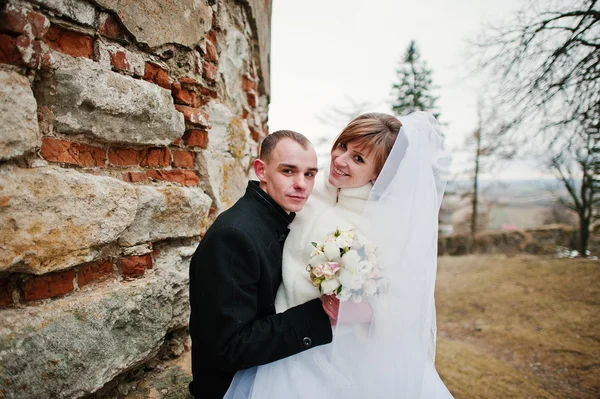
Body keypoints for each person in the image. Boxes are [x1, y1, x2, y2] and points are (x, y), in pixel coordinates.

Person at [225, 111, 454, 398]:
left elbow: (405, 302)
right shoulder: (309, 190)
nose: (340, 159)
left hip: (334, 351)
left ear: (378, 173)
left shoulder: (383, 222)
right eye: (343, 146)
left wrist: (357, 311)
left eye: (358, 159)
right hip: (281, 337)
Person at [188, 130, 335, 399]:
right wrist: (321, 314)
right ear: (261, 171)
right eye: (288, 171)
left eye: (310, 174)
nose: (302, 184)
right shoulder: (233, 236)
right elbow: (229, 347)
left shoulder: (284, 219)